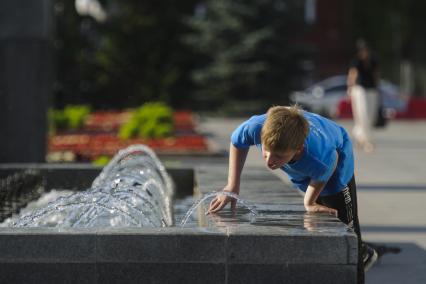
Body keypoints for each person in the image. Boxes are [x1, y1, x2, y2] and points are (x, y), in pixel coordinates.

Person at [207, 105, 377, 284]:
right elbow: (236, 142)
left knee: (347, 231)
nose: (270, 160)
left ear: (299, 150)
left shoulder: (318, 157)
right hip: (304, 160)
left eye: (278, 156)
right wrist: (232, 185)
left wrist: (309, 201)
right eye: (266, 151)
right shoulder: (256, 128)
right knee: (320, 217)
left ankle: (361, 256)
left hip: (336, 164)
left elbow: (331, 162)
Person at [347, 39, 380, 152]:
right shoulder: (356, 61)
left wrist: (378, 88)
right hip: (359, 90)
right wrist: (350, 88)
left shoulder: (373, 60)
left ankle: (360, 137)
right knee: (362, 115)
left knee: (370, 116)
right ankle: (367, 141)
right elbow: (352, 74)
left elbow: (376, 74)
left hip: (371, 90)